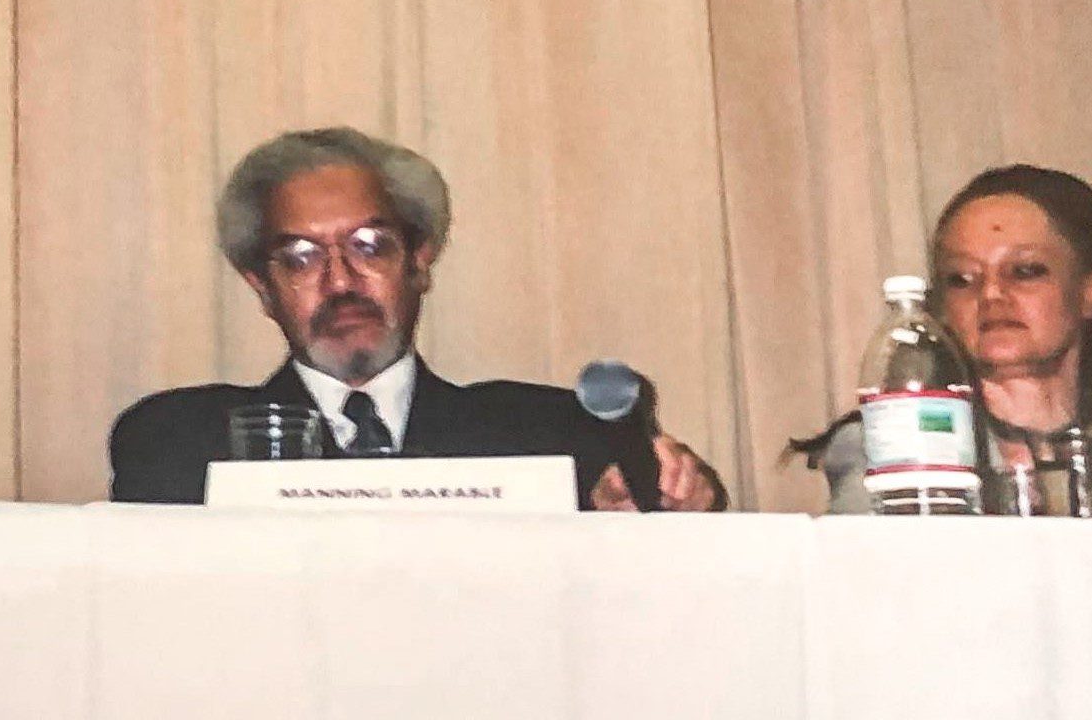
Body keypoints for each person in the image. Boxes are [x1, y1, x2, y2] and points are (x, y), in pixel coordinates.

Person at [110, 127, 725, 511]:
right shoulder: (177, 439)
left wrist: (665, 505)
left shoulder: (552, 433)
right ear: (262, 288)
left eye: (370, 245)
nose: (341, 281)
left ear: (420, 262)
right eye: (300, 258)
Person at [797, 164, 1092, 513]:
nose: (991, 295)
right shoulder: (890, 439)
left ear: (1090, 290)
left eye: (1025, 271)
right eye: (961, 279)